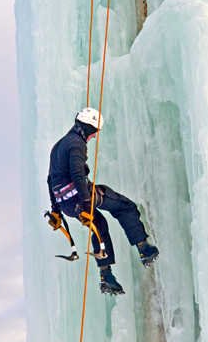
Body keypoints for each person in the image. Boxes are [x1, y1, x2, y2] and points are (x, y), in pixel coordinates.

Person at [47, 107, 159, 295]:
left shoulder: (58, 145)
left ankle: (106, 276)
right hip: (80, 197)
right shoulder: (76, 144)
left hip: (66, 204)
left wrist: (56, 210)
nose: (93, 137)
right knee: (125, 207)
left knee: (99, 224)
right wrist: (85, 203)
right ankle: (144, 249)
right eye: (94, 132)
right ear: (87, 128)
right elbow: (77, 174)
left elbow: (50, 180)